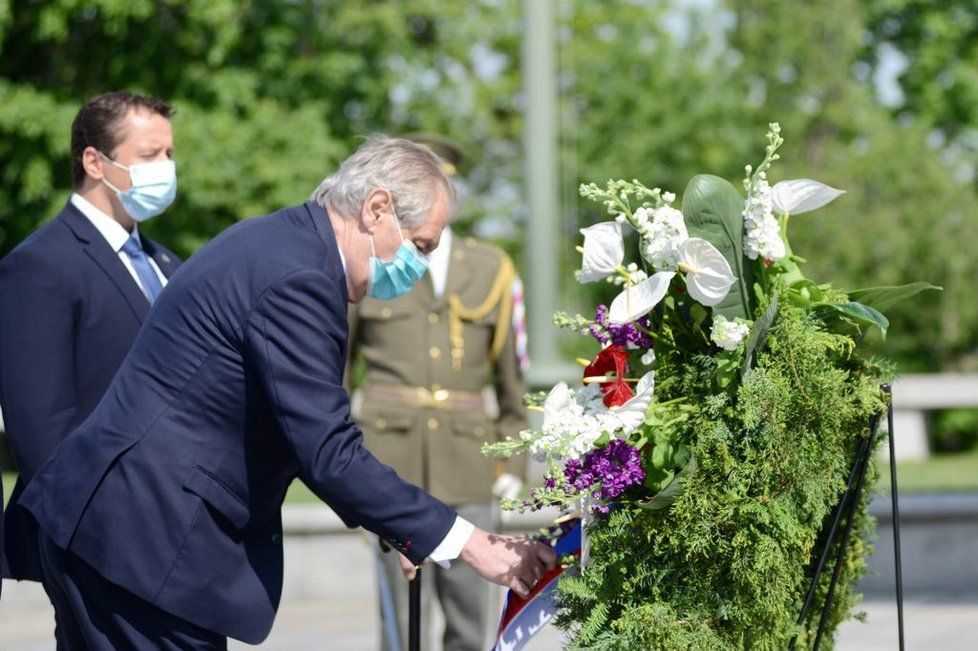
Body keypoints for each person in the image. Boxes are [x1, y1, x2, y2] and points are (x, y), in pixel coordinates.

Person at [20, 136, 556, 649]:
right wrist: (471, 542)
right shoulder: (300, 277)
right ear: (376, 208)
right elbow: (325, 449)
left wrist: (402, 523)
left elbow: (296, 430)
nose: (416, 269)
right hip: (140, 542)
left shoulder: (287, 243)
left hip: (118, 533)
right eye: (419, 246)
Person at [348, 133, 528, 651]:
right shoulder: (375, 257)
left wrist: (513, 463)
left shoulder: (492, 267)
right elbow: (339, 369)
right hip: (388, 459)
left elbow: (511, 378)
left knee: (473, 620)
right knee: (400, 627)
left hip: (469, 462)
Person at [0, 92, 181, 591]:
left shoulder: (167, 264)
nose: (165, 168)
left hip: (176, 531)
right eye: (149, 156)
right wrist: (99, 532)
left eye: (169, 155)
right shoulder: (40, 265)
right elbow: (40, 429)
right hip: (98, 540)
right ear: (94, 162)